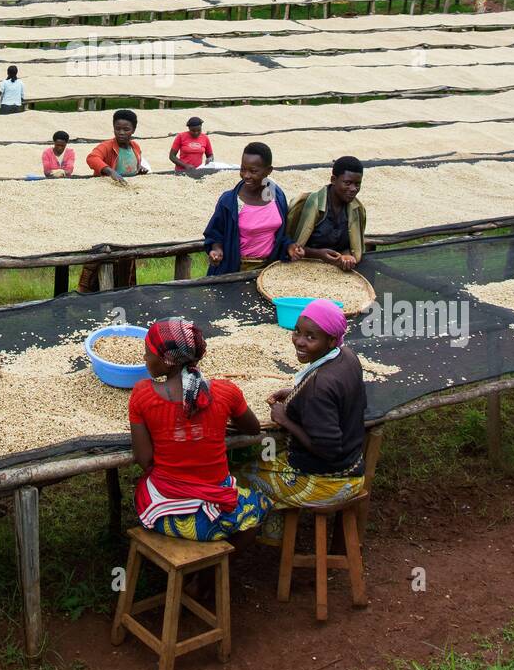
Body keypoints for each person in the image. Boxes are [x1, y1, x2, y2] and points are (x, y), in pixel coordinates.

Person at [235, 300, 366, 546]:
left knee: (239, 475)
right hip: (354, 464)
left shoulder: (320, 386)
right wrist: (297, 392)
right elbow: (337, 397)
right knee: (266, 454)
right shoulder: (346, 356)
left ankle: (248, 541)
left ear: (331, 340)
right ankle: (274, 530)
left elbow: (328, 449)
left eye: (311, 337)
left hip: (329, 482)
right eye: (297, 332)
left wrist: (285, 420)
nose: (299, 341)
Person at [129, 318, 266, 546]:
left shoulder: (142, 395)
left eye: (148, 353)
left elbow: (145, 460)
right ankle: (221, 565)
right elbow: (253, 428)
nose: (145, 358)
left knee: (145, 485)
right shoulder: (226, 392)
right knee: (260, 506)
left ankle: (200, 565)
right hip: (219, 517)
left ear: (167, 361)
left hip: (163, 515)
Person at [77, 109, 150, 292]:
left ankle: (125, 287)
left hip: (128, 202)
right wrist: (110, 171)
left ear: (133, 130)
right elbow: (92, 158)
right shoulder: (107, 146)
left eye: (126, 129)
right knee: (104, 247)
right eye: (118, 129)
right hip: (107, 201)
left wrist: (139, 172)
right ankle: (89, 290)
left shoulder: (135, 147)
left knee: (126, 247)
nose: (121, 133)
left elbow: (132, 168)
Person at [203, 142, 303, 275]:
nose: (246, 175)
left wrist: (289, 246)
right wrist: (216, 250)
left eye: (253, 171)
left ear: (269, 171)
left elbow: (280, 235)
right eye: (243, 169)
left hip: (268, 270)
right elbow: (215, 234)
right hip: (234, 270)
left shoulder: (277, 196)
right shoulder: (229, 201)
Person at [287, 156, 366, 271]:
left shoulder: (357, 210)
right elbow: (289, 245)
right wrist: (318, 254)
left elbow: (354, 245)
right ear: (333, 180)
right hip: (304, 267)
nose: (353, 189)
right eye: (347, 183)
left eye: (357, 184)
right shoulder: (307, 204)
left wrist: (347, 256)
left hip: (338, 270)